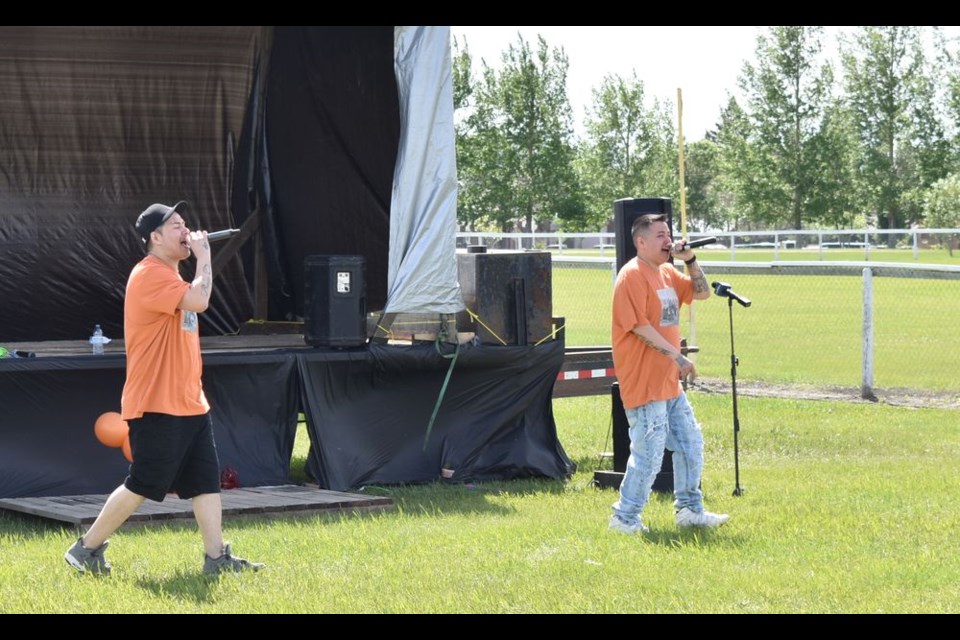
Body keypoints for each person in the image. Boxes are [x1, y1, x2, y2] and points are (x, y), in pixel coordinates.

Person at [65, 201, 264, 576]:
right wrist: (205, 256)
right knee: (144, 483)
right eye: (176, 226)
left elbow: (192, 301)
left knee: (205, 482)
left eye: (185, 224)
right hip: (157, 404)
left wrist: (199, 260)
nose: (186, 231)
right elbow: (200, 300)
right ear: (155, 238)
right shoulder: (149, 274)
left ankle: (216, 559)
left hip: (189, 402)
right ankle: (86, 549)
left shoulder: (173, 279)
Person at [608, 213, 729, 534]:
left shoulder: (666, 272)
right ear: (641, 242)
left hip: (668, 384)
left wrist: (690, 260)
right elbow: (637, 326)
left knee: (690, 444)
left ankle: (690, 510)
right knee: (647, 455)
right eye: (660, 235)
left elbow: (700, 293)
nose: (668, 240)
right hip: (644, 382)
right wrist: (677, 356)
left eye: (668, 234)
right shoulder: (631, 276)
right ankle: (624, 518)